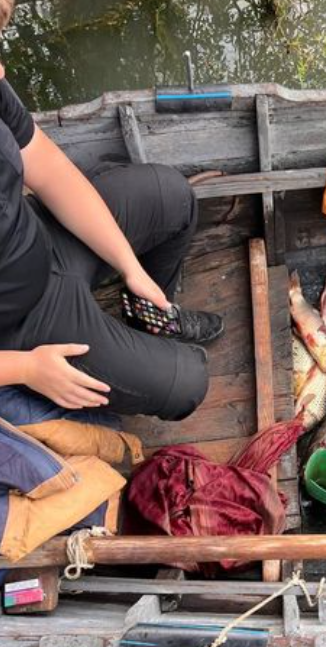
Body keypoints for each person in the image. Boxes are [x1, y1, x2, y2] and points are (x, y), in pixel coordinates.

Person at [0, 0, 221, 420]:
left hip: (42, 243)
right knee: (188, 382)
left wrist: (130, 267)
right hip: (22, 329)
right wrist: (26, 369)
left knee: (171, 196)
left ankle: (147, 318)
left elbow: (47, 169)